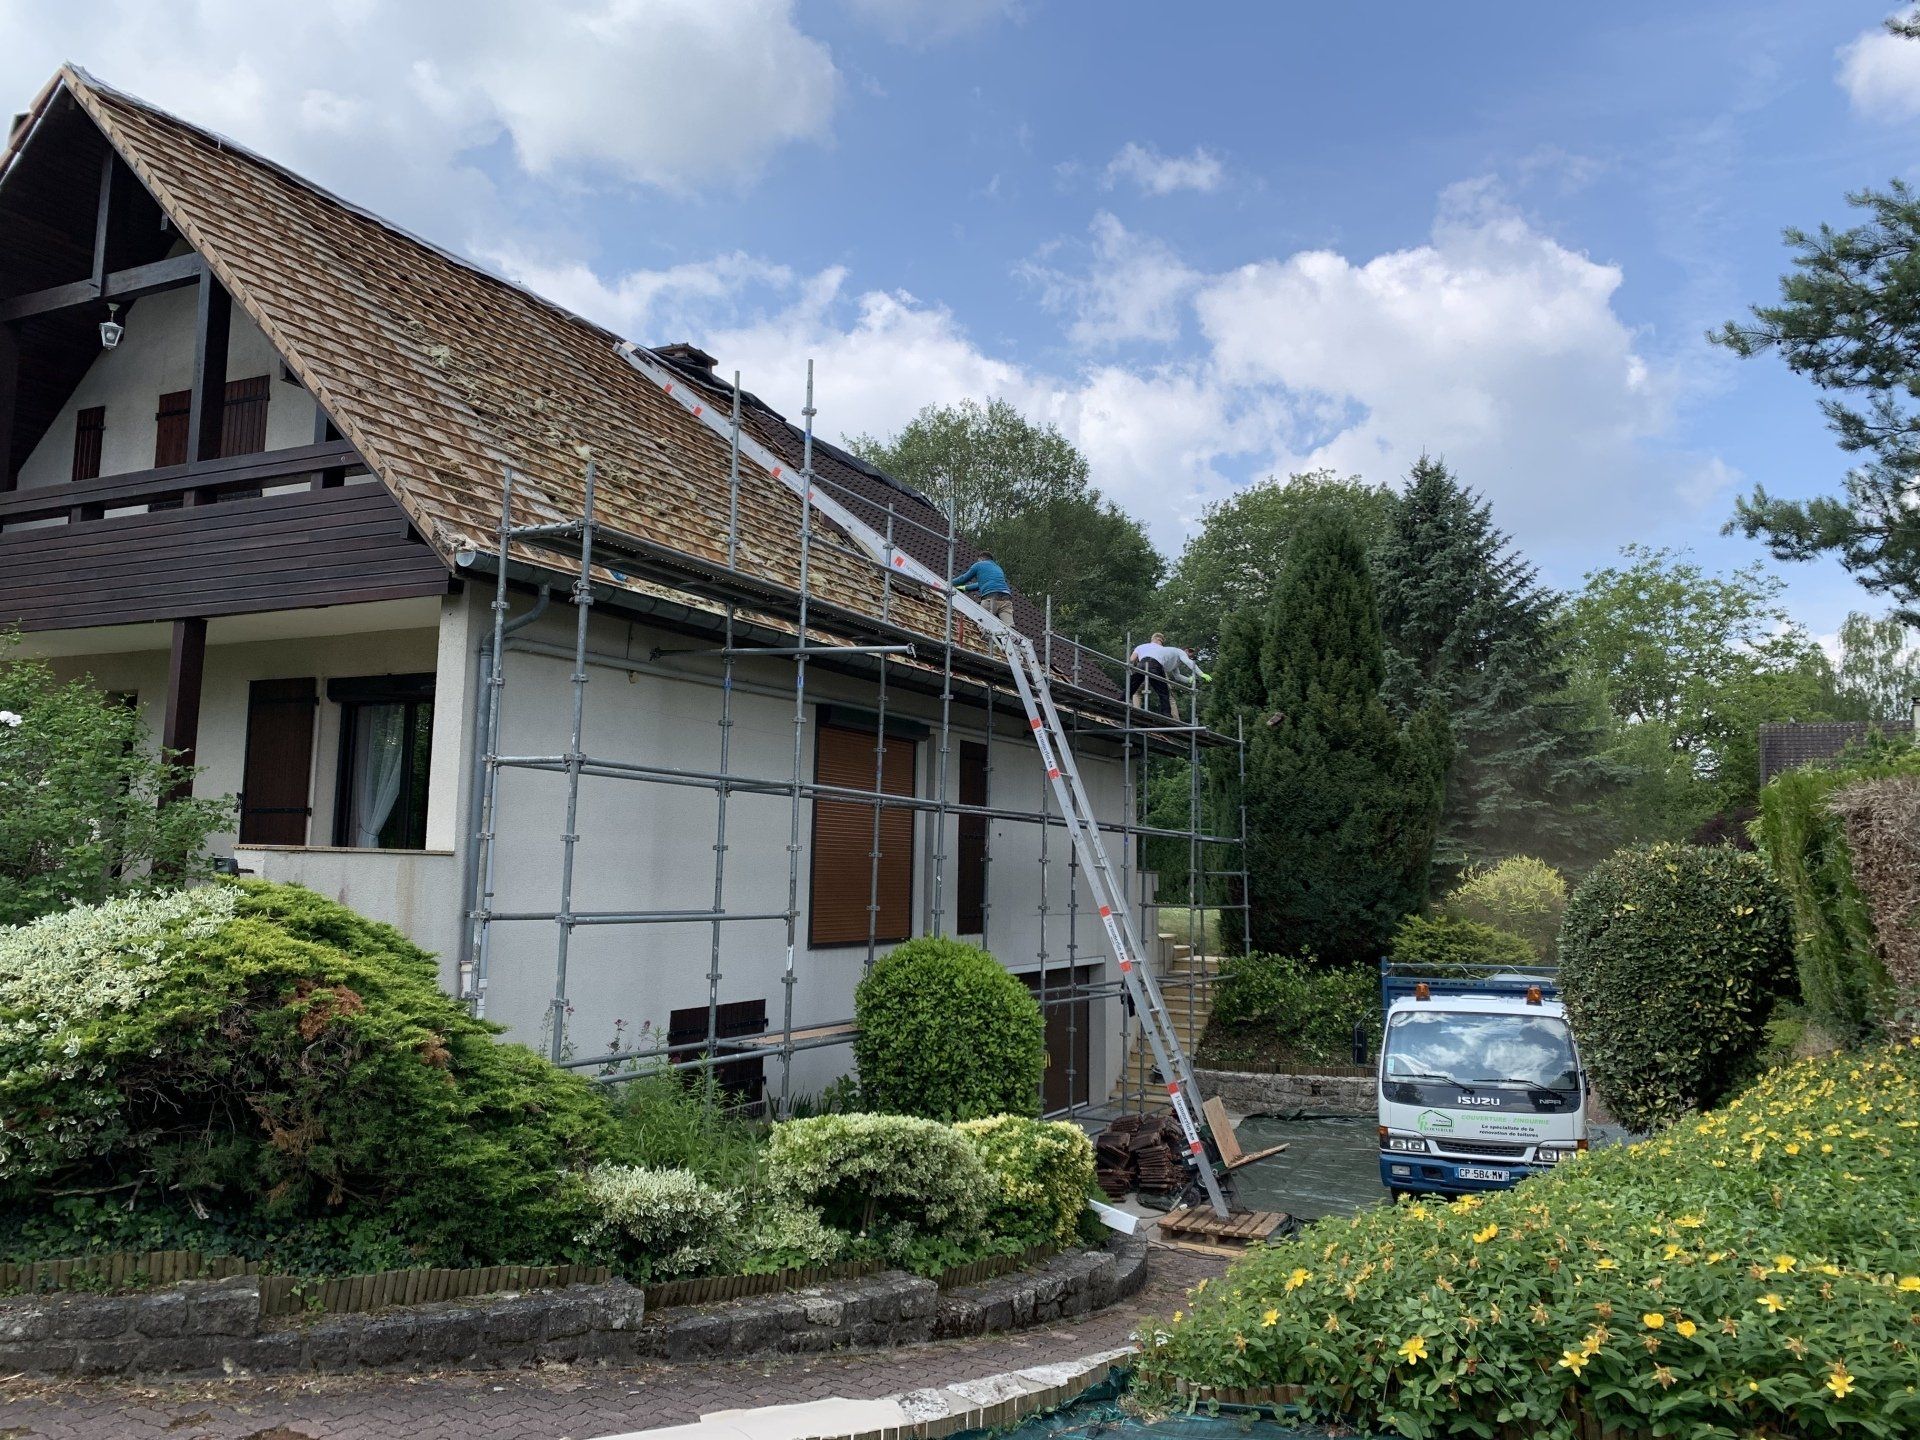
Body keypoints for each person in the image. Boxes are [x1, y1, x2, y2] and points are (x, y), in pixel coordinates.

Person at [1129, 633, 1209, 721]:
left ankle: (1137, 711)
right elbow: (1189, 662)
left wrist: (1188, 680)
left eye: (1192, 657)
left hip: (1144, 668)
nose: (1190, 657)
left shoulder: (1174, 660)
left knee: (1137, 691)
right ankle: (1174, 719)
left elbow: (1177, 676)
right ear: (1186, 650)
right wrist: (1201, 674)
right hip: (1156, 670)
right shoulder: (1180, 652)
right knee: (1167, 695)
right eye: (1190, 653)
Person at [951, 550, 1014, 624]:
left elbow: (963, 578)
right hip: (1006, 599)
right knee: (1009, 627)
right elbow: (979, 584)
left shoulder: (979, 565)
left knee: (983, 624)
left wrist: (949, 583)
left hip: (991, 598)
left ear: (981, 558)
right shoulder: (998, 568)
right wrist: (963, 588)